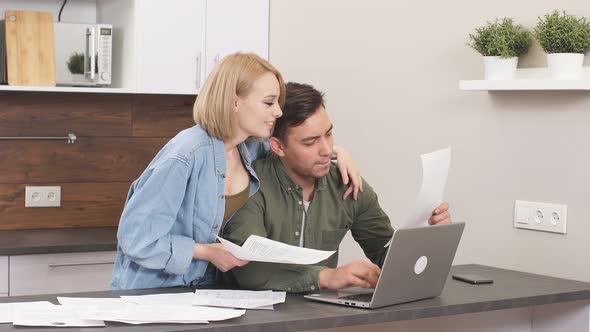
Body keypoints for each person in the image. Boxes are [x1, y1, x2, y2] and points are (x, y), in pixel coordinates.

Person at [109, 54, 362, 290]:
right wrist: (206, 252)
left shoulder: (250, 149)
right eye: (269, 102)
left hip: (203, 292)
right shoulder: (185, 155)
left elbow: (293, 148)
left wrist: (338, 153)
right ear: (234, 101)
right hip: (151, 294)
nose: (278, 111)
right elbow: (136, 238)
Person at [223, 82, 452, 293]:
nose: (325, 149)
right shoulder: (249, 184)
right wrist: (326, 276)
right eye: (310, 142)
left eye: (329, 134)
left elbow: (386, 254)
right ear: (278, 147)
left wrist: (428, 237)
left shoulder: (347, 185)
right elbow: (250, 270)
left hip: (322, 317)